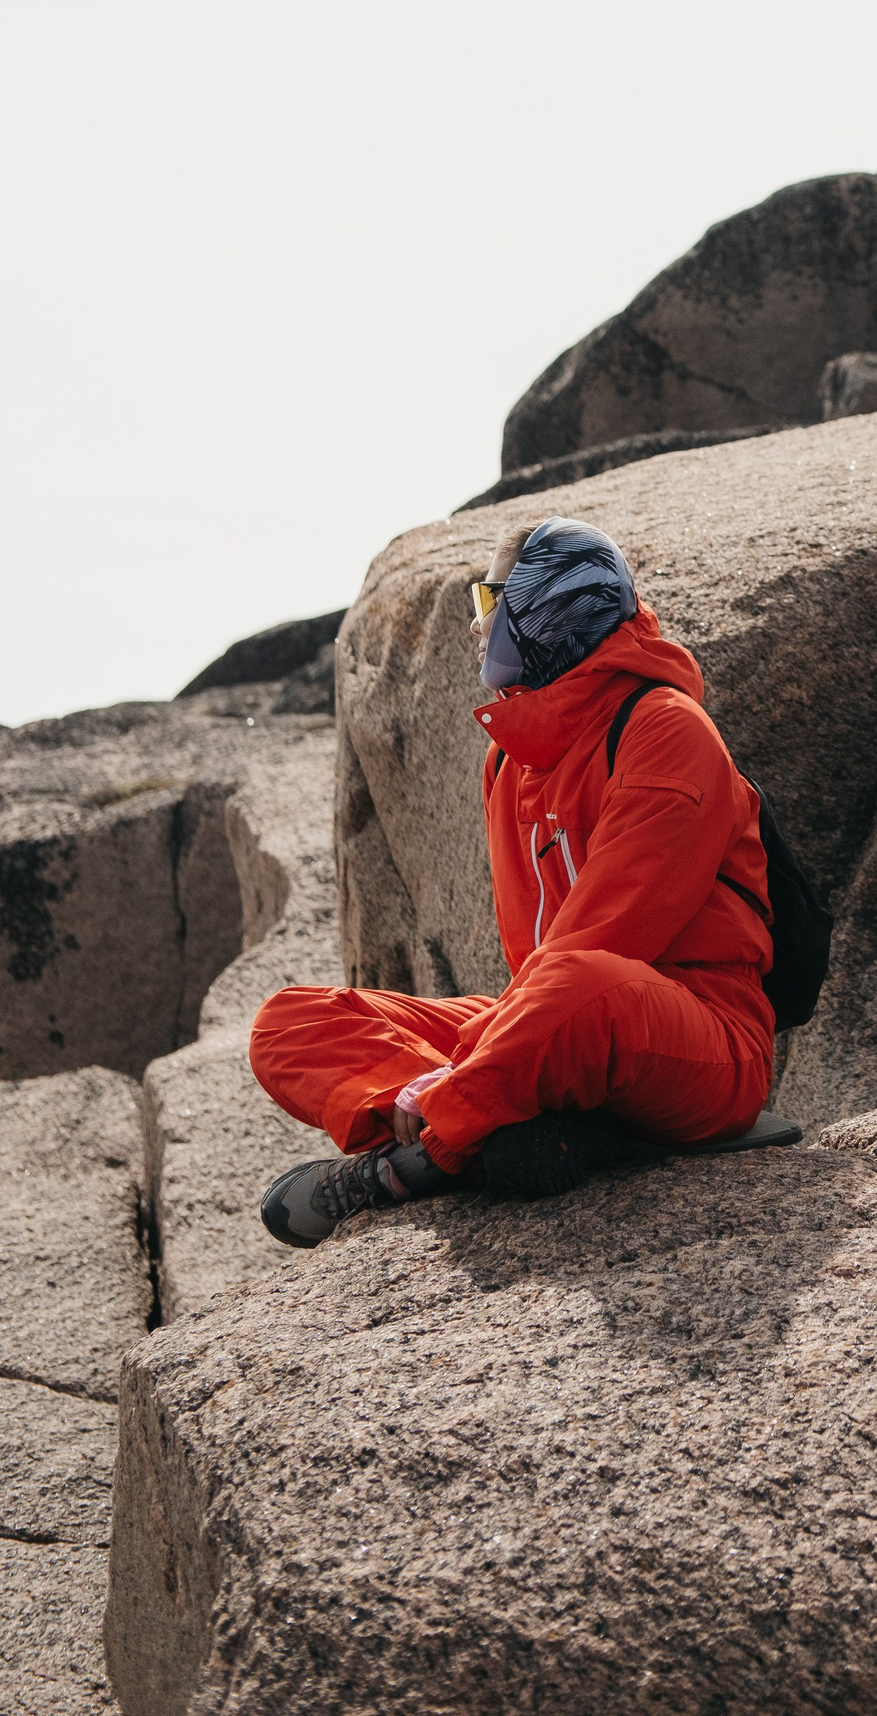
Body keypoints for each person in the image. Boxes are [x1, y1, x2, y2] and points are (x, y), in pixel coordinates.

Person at [253, 519, 775, 1245]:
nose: (477, 626)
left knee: (578, 984)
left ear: (549, 606)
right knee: (290, 1021)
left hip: (700, 1042)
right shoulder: (509, 759)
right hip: (546, 1026)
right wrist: (470, 1062)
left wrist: (471, 1063)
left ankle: (410, 1166)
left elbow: (604, 941)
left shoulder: (665, 728)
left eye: (491, 600)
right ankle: (497, 1126)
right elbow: (532, 970)